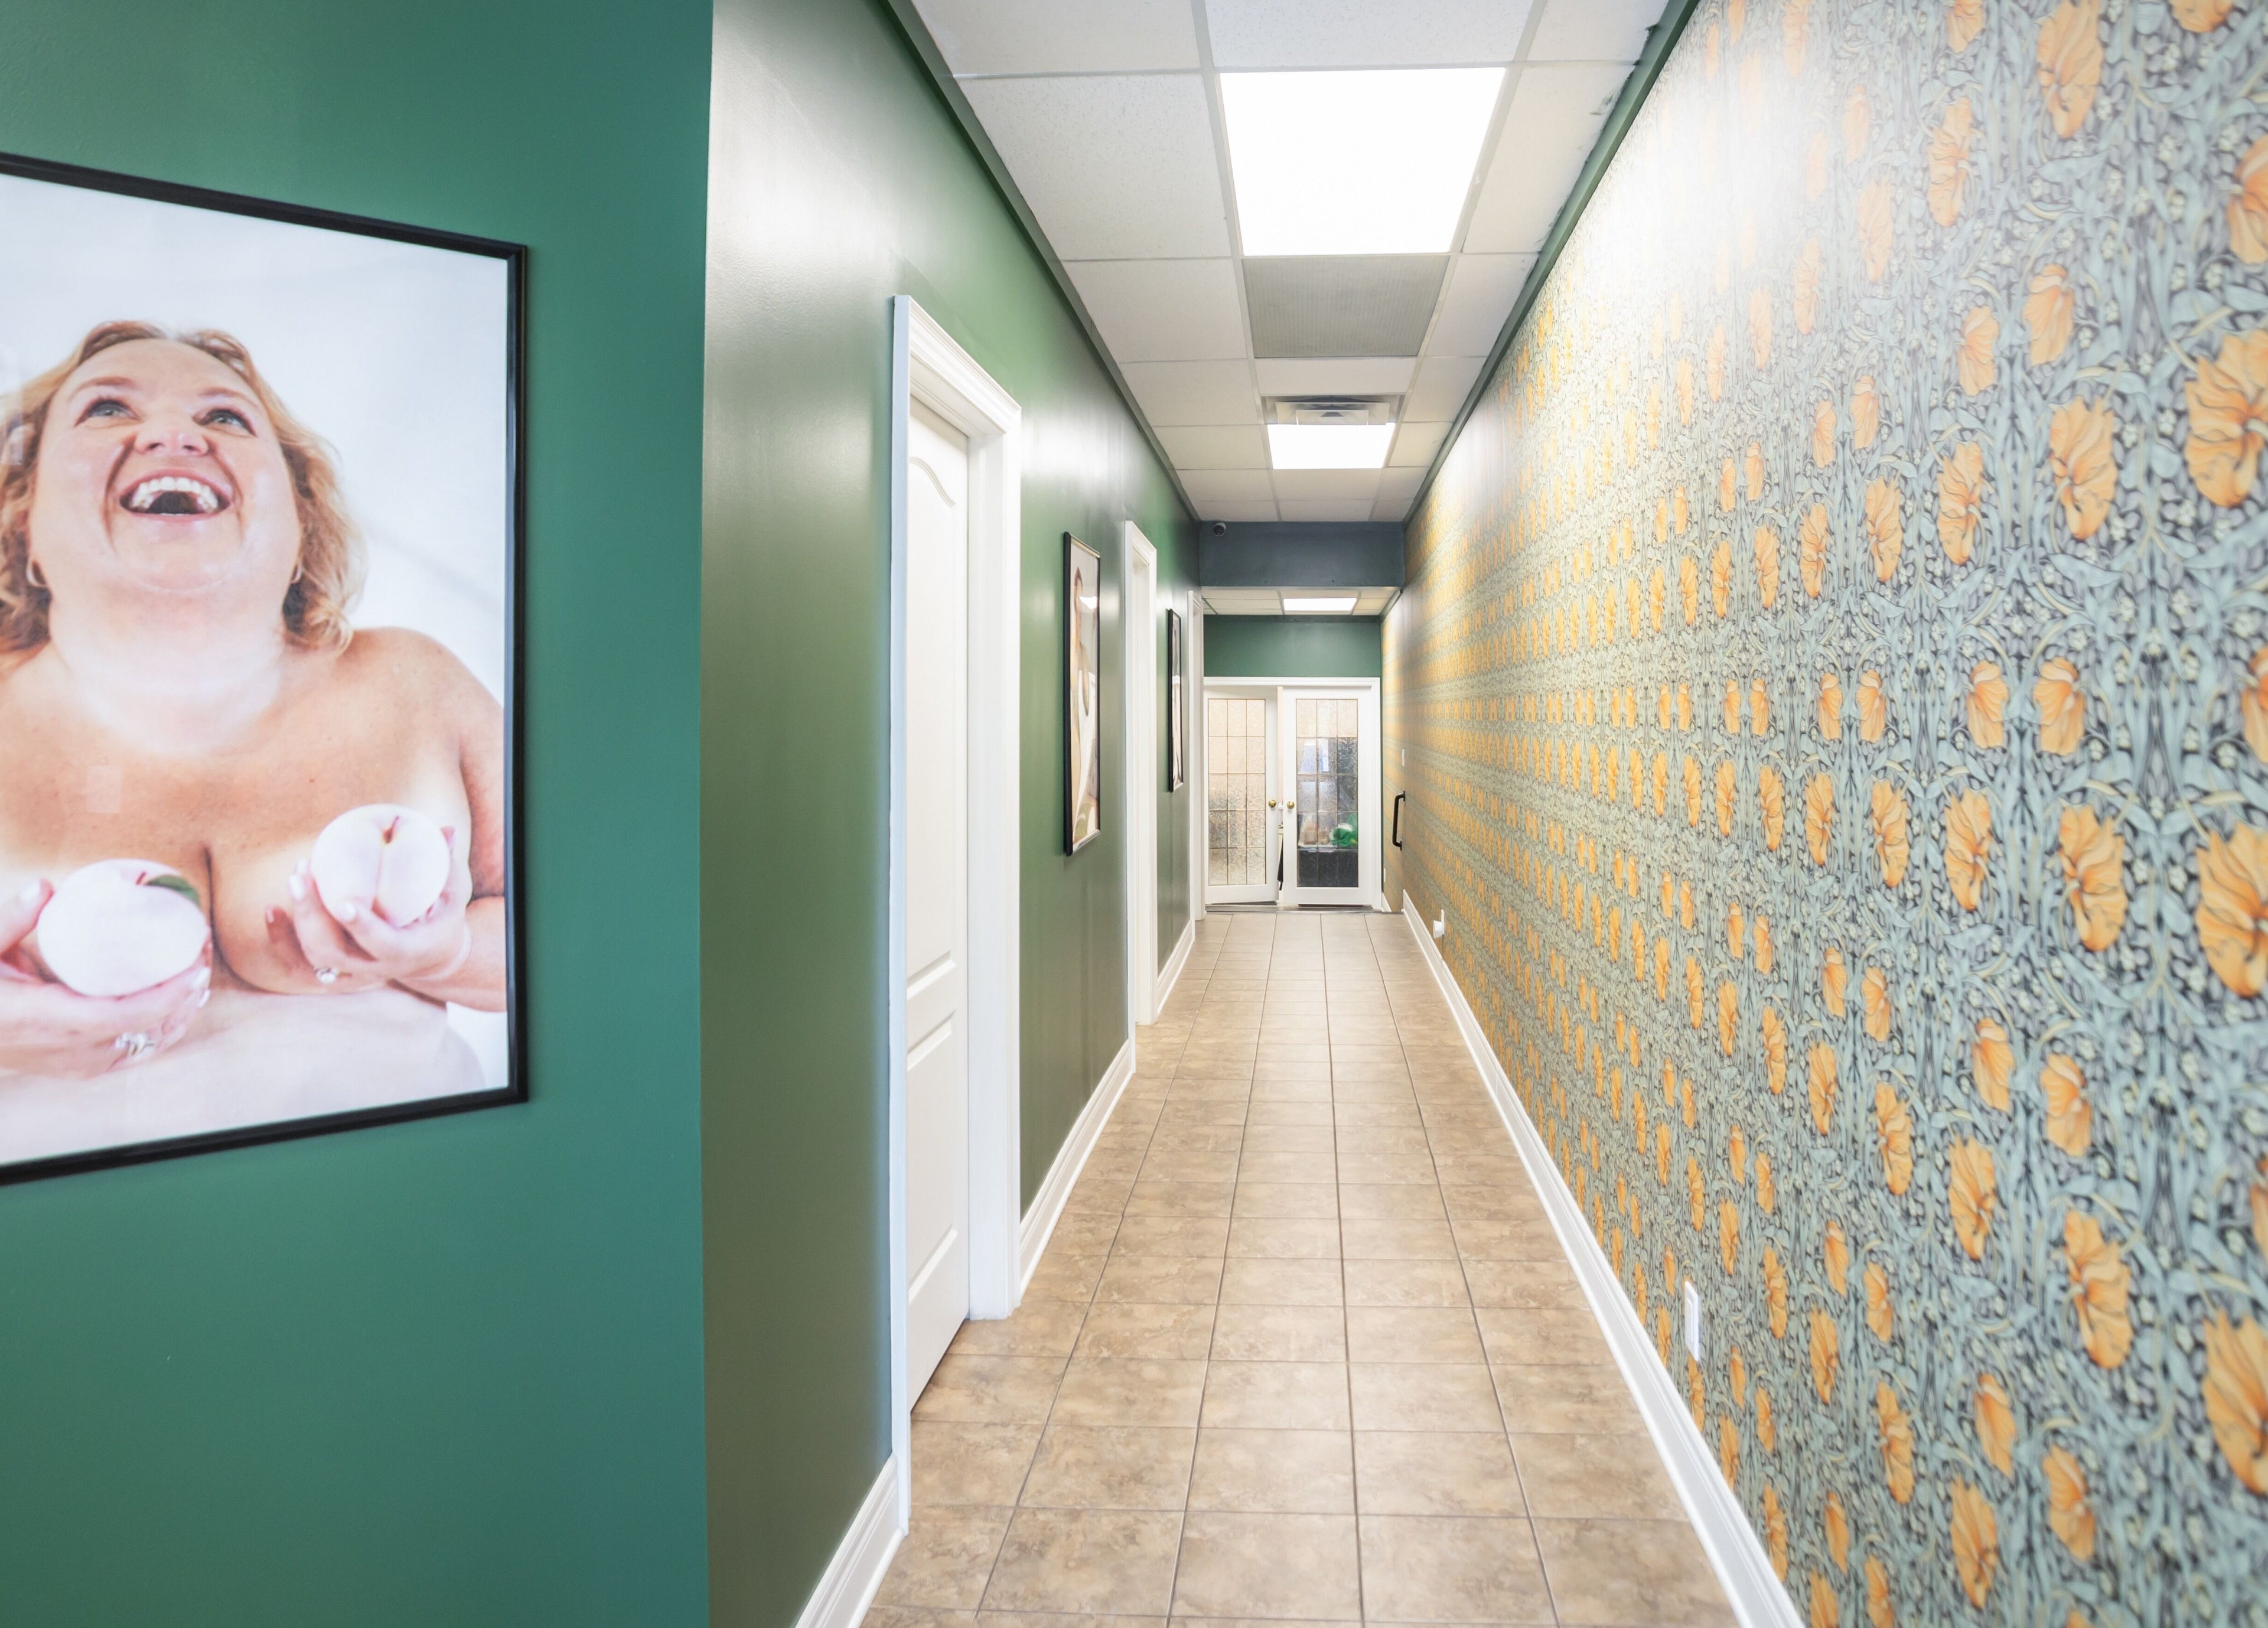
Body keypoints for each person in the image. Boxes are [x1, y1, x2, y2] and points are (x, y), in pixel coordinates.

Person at [0, 322, 506, 1160]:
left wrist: (445, 952)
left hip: (410, 1222)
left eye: (227, 419)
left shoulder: (415, 683)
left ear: (300, 520)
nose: (171, 434)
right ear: (26, 526)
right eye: (108, 408)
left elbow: (588, 955)